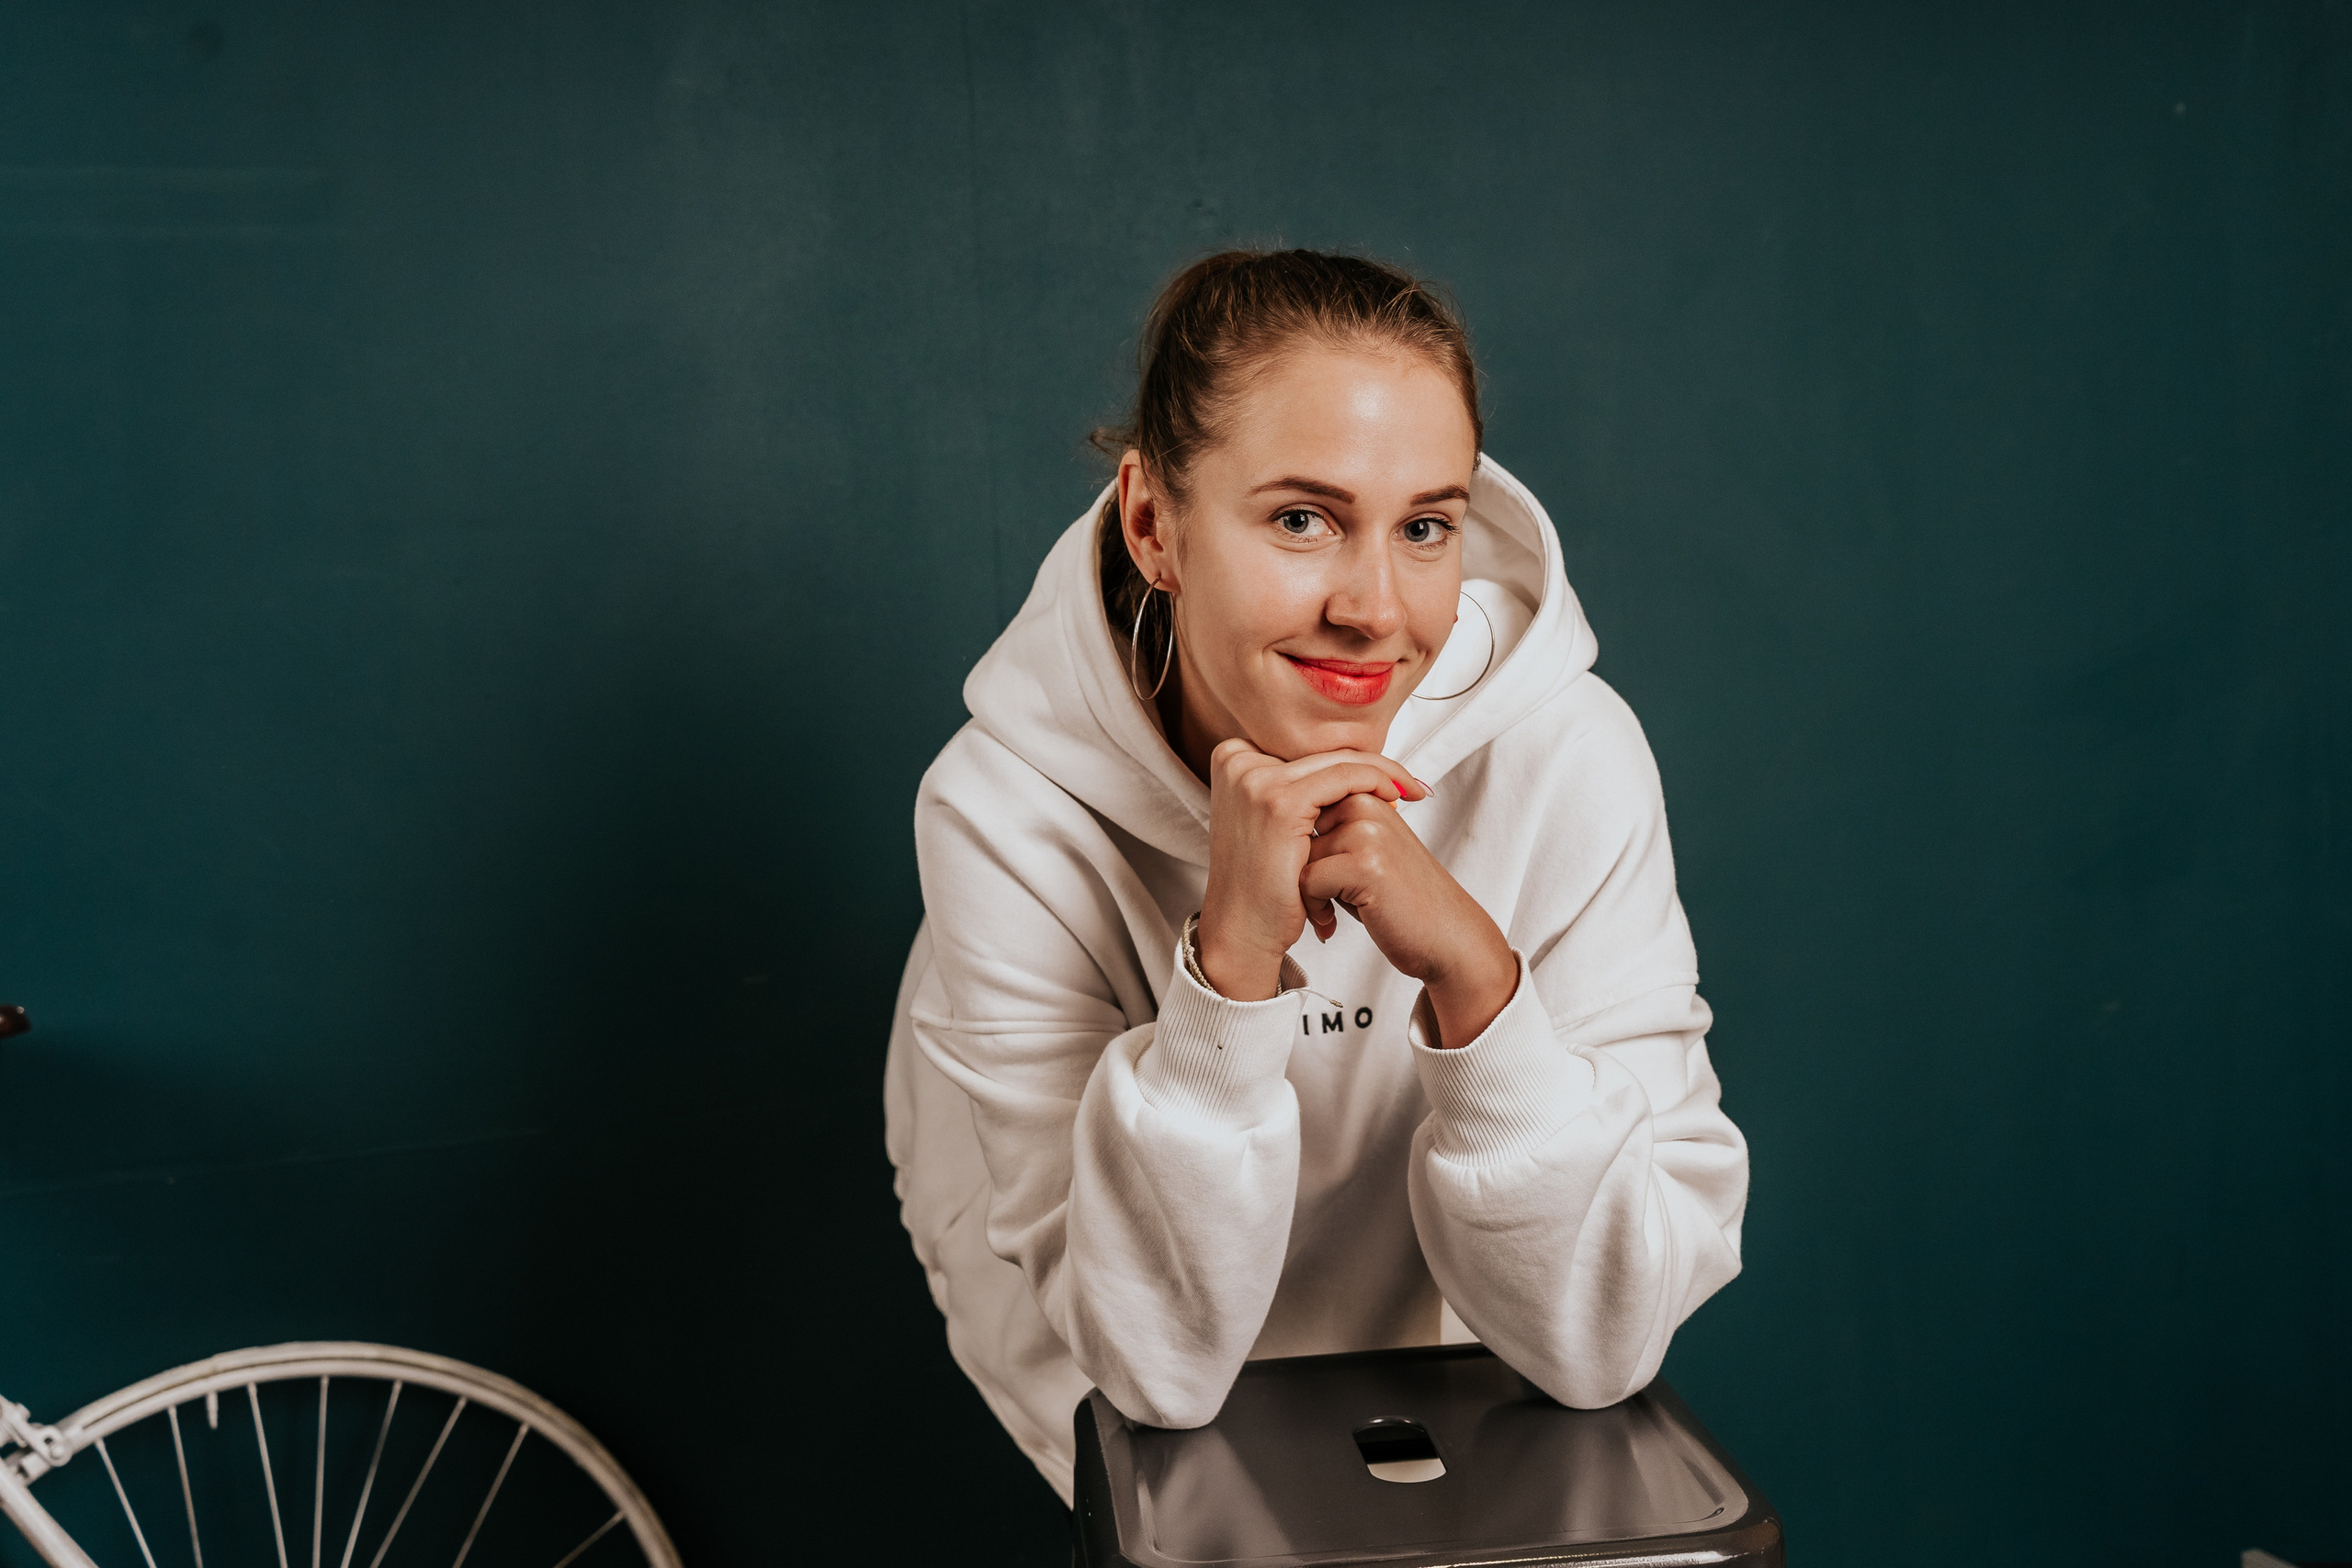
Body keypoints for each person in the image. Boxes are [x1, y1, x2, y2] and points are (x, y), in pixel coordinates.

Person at [883, 250, 1749, 1504]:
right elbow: (1150, 1371)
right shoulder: (1005, 811)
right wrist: (1227, 980)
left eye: (1426, 528)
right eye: (1302, 519)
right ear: (1153, 525)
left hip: (1482, 1419)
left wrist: (1476, 978)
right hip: (1133, 1421)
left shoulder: (1568, 755)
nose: (1374, 608)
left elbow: (1604, 1341)